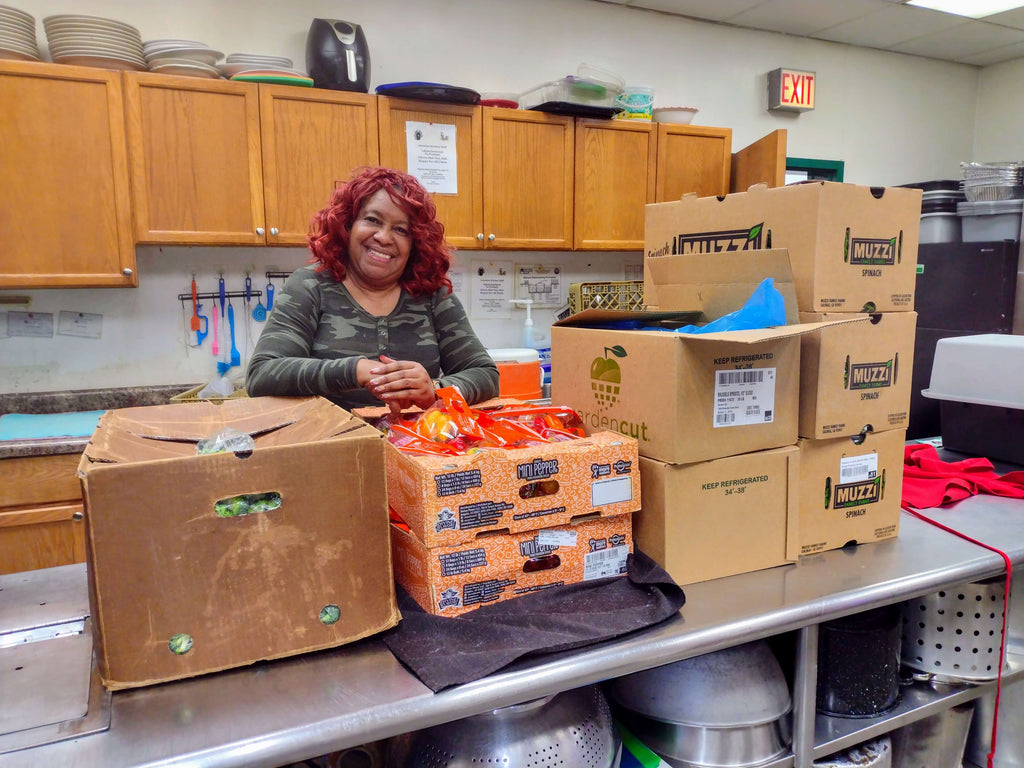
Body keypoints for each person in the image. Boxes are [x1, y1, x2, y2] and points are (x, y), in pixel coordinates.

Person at [246, 166, 499, 412]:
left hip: (418, 449)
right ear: (347, 226)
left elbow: (485, 374)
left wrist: (436, 388)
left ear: (415, 243)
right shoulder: (311, 286)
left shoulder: (432, 295)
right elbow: (262, 374)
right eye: (372, 220)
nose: (384, 237)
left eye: (401, 230)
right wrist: (356, 370)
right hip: (331, 449)